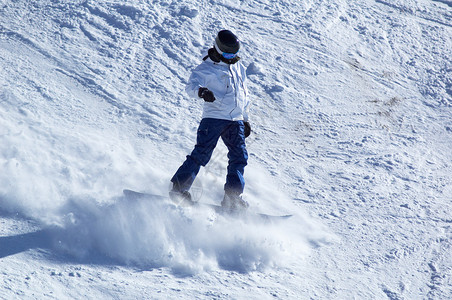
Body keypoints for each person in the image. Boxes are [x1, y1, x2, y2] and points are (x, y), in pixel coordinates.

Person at [170, 29, 252, 212]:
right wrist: (201, 92)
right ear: (218, 48)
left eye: (234, 53)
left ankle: (232, 198)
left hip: (235, 120)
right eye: (228, 53)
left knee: (239, 157)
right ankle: (178, 188)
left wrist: (244, 119)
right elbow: (190, 87)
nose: (231, 57)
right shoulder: (206, 68)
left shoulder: (239, 67)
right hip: (214, 117)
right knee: (201, 154)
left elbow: (244, 95)